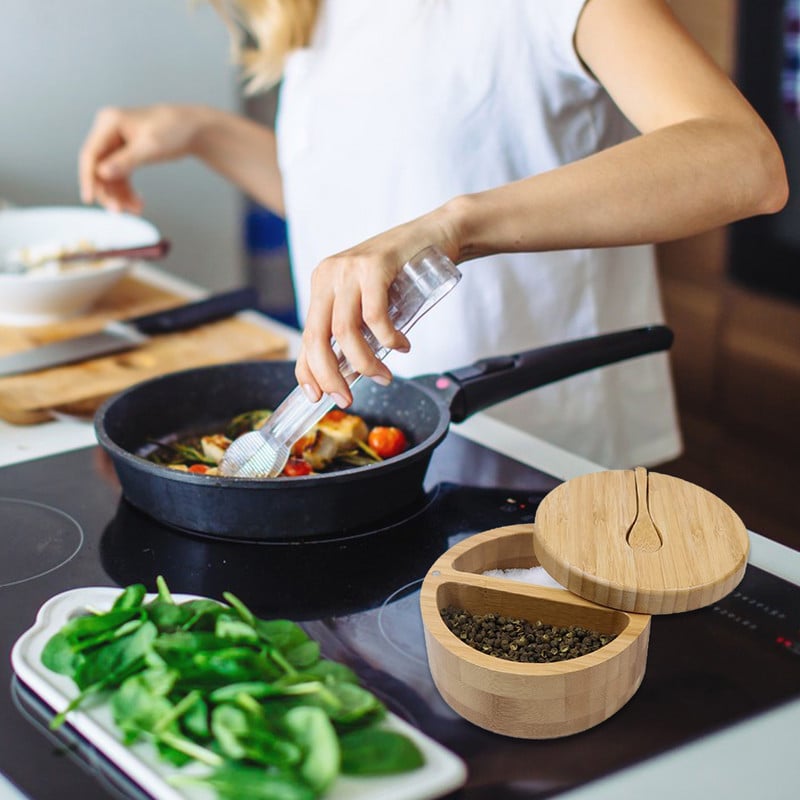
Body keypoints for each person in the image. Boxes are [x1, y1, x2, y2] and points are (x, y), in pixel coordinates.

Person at [78, 0, 788, 468]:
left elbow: (743, 162)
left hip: (542, 453)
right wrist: (203, 132)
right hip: (372, 445)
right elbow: (358, 209)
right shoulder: (318, 13)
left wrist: (454, 227)